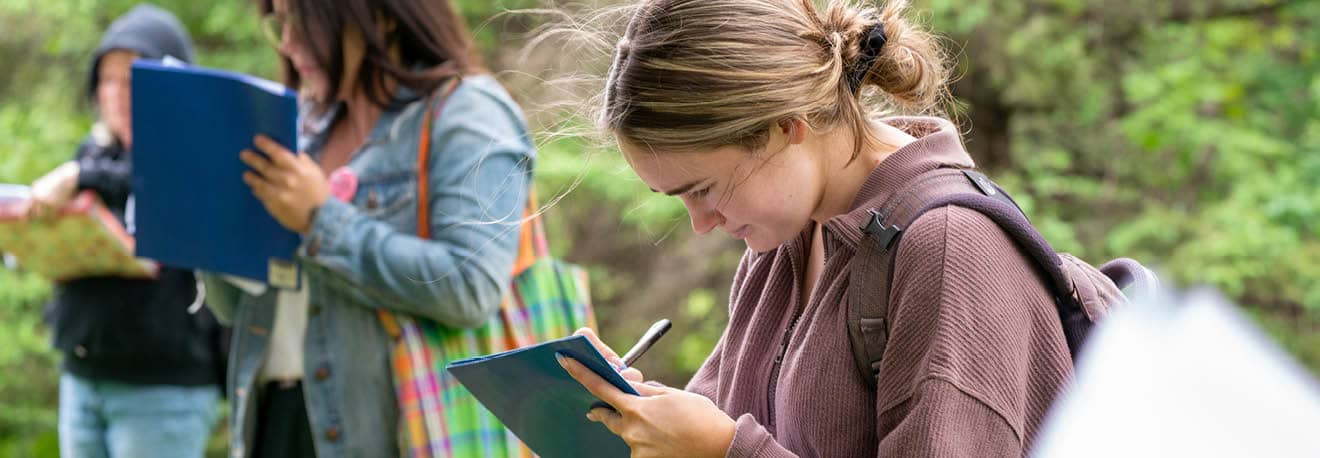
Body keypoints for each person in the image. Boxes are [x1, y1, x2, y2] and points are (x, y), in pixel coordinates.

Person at [554, 0, 1073, 456]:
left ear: (786, 127)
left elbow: (731, 442)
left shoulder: (948, 250)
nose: (700, 224)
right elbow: (727, 414)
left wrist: (725, 453)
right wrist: (636, 417)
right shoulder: (788, 235)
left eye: (703, 189)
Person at [200, 0, 534, 455]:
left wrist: (320, 220)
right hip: (273, 420)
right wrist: (208, 228)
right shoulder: (302, 122)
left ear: (382, 14)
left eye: (305, 20)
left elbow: (470, 286)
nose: (288, 42)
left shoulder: (468, 113)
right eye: (279, 22)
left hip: (394, 431)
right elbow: (234, 308)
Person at [28, 4, 225, 458]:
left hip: (161, 388)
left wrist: (81, 177)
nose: (119, 93)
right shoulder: (95, 154)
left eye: (134, 77)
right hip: (84, 374)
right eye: (109, 79)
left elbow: (158, 185)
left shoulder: (196, 160)